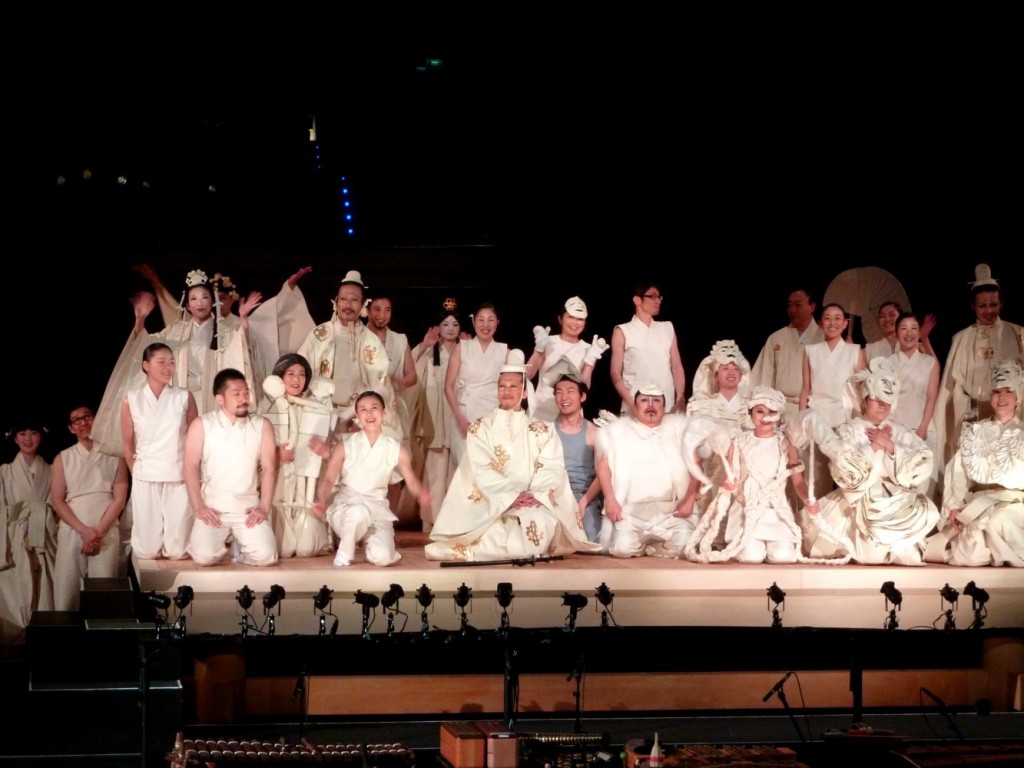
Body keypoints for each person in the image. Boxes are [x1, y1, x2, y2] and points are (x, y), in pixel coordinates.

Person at [425, 363, 599, 562]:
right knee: (496, 531)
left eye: (513, 386)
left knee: (540, 524)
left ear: (524, 392)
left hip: (532, 502)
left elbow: (552, 468)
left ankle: (492, 551)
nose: (507, 391)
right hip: (492, 504)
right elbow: (482, 468)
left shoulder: (542, 430)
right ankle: (487, 550)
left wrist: (535, 495)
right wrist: (510, 496)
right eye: (502, 386)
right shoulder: (480, 428)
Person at [92, 268, 260, 455]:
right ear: (187, 305)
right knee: (181, 449)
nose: (199, 303)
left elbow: (242, 349)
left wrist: (243, 318)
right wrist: (140, 320)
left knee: (212, 449)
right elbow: (147, 346)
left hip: (211, 398)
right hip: (181, 398)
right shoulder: (175, 331)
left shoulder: (224, 331)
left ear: (212, 301)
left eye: (204, 297)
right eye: (193, 299)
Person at [804, 359, 940, 566]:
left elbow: (922, 460)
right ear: (865, 401)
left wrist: (891, 447)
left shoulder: (899, 431)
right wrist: (874, 446)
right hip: (862, 496)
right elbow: (844, 463)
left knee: (910, 557)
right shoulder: (849, 429)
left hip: (896, 497)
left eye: (887, 402)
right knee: (871, 555)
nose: (883, 407)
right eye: (877, 401)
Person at [684, 387, 816, 564]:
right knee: (752, 556)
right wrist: (729, 485)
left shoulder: (786, 443)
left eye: (771, 412)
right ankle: (747, 545)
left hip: (776, 512)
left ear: (778, 414)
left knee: (782, 556)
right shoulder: (738, 442)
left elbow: (798, 480)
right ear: (751, 414)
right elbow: (729, 479)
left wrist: (808, 500)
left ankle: (776, 544)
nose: (765, 417)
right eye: (760, 411)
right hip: (747, 513)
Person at [311, 391, 431, 567]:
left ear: (384, 412)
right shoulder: (345, 444)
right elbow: (329, 478)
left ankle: (371, 548)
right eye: (363, 409)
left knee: (383, 558)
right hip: (348, 508)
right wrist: (322, 499)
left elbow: (411, 480)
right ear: (357, 416)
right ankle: (344, 554)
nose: (369, 414)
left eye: (374, 408)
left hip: (377, 509)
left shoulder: (395, 449)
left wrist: (421, 494)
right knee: (359, 513)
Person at [925, 359, 1023, 567]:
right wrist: (954, 505)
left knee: (999, 520)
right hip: (979, 503)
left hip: (1015, 504)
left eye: (1008, 391)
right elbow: (958, 472)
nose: (1002, 397)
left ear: (1018, 396)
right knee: (969, 554)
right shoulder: (974, 431)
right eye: (997, 392)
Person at [934, 264, 1024, 484]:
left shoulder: (1017, 333)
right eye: (982, 305)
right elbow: (951, 385)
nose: (989, 310)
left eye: (993, 304)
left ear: (1001, 303)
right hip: (973, 412)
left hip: (1010, 411)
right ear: (973, 307)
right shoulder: (961, 338)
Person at [184, 368, 279, 567]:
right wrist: (199, 507)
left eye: (246, 392)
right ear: (220, 399)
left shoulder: (262, 425)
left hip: (247, 510)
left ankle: (241, 552)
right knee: (204, 556)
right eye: (237, 394)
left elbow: (269, 468)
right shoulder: (202, 424)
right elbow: (190, 467)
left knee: (266, 556)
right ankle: (224, 546)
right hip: (214, 508)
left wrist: (264, 507)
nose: (244, 398)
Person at [595, 384, 702, 558]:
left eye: (656, 401)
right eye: (644, 400)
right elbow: (603, 467)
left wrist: (689, 500)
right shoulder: (619, 432)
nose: (650, 405)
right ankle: (642, 543)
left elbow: (697, 465)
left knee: (685, 546)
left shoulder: (679, 429)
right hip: (631, 513)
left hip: (671, 512)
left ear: (664, 407)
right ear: (635, 406)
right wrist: (611, 500)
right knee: (622, 549)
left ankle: (654, 548)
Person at [298, 270, 400, 439]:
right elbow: (301, 371)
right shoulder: (319, 334)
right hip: (320, 413)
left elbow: (380, 384)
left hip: (357, 419)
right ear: (335, 302)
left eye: (354, 300)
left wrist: (356, 414)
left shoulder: (371, 341)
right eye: (344, 299)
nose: (348, 305)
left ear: (363, 305)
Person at [120, 342, 199, 560]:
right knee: (147, 549)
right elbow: (128, 444)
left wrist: (190, 471)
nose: (168, 367)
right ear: (146, 365)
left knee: (177, 550)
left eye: (171, 362)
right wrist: (137, 471)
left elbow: (194, 439)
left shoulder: (184, 397)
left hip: (177, 474)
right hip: (146, 475)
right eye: (161, 362)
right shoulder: (131, 399)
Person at [50, 407, 130, 611]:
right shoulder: (63, 458)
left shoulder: (115, 455)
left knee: (103, 594)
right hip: (72, 529)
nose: (83, 423)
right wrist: (84, 531)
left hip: (105, 530)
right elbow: (57, 501)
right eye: (76, 420)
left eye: (87, 417)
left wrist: (98, 532)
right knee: (66, 592)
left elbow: (119, 499)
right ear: (71, 428)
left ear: (96, 419)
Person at [260, 353, 333, 559]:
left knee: (306, 549)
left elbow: (331, 440)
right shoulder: (267, 406)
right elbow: (255, 445)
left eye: (301, 374)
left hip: (307, 483)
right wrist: (277, 454)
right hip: (280, 480)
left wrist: (325, 450)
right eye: (290, 374)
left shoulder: (316, 407)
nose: (296, 379)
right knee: (283, 549)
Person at [800, 303, 867, 499]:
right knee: (816, 475)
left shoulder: (855, 351)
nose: (832, 323)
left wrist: (863, 422)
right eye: (827, 318)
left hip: (845, 417)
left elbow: (862, 389)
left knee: (846, 473)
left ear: (845, 323)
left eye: (838, 318)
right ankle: (814, 515)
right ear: (820, 323)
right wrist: (801, 418)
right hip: (817, 416)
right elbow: (806, 387)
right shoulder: (810, 350)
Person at [409, 298, 463, 531]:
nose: (450, 328)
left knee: (456, 473)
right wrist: (423, 347)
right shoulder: (431, 350)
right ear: (437, 327)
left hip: (458, 417)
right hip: (435, 419)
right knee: (436, 474)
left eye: (455, 324)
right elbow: (408, 373)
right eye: (445, 324)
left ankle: (453, 522)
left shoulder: (465, 349)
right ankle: (432, 520)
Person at [0, 419, 56, 643]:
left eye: (33, 433)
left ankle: (44, 639)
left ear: (41, 437)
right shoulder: (4, 471)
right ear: (15, 439)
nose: (28, 438)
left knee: (46, 584)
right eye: (22, 434)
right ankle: (14, 641)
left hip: (44, 534)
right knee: (16, 586)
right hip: (15, 536)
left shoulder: (51, 470)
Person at [443, 302, 516, 462]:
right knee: (466, 467)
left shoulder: (504, 351)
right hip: (465, 415)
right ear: (473, 321)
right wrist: (460, 417)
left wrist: (539, 352)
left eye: (491, 320)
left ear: (497, 322)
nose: (485, 325)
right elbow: (448, 386)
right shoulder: (461, 347)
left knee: (491, 466)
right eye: (481, 320)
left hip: (493, 416)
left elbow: (523, 377)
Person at [525, 296, 608, 422]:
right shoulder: (548, 341)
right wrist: (538, 350)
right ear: (560, 319)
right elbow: (527, 375)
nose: (575, 322)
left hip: (571, 417)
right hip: (541, 413)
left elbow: (584, 387)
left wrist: (590, 362)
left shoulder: (589, 349)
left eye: (580, 319)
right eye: (570, 317)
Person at [610, 282, 686, 417]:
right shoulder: (623, 330)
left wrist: (680, 397)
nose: (658, 301)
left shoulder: (667, 328)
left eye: (659, 297)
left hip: (665, 403)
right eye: (652, 296)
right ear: (637, 300)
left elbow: (676, 367)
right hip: (634, 403)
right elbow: (615, 373)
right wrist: (630, 402)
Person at [749, 288, 824, 422]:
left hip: (811, 409)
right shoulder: (776, 338)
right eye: (790, 305)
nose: (792, 310)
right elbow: (763, 377)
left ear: (812, 307)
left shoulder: (823, 338)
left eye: (798, 305)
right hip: (778, 409)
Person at [890, 311, 940, 499]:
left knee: (924, 490)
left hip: (923, 430)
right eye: (903, 328)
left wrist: (923, 427)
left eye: (913, 328)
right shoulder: (888, 363)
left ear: (920, 332)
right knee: (899, 488)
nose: (909, 333)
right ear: (896, 333)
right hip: (897, 430)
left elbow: (931, 397)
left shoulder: (930, 362)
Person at [551, 370, 603, 543]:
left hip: (583, 497)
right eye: (559, 392)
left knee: (589, 541)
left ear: (582, 397)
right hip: (554, 495)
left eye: (570, 391)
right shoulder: (547, 430)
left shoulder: (594, 432)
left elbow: (602, 475)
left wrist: (582, 504)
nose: (564, 397)